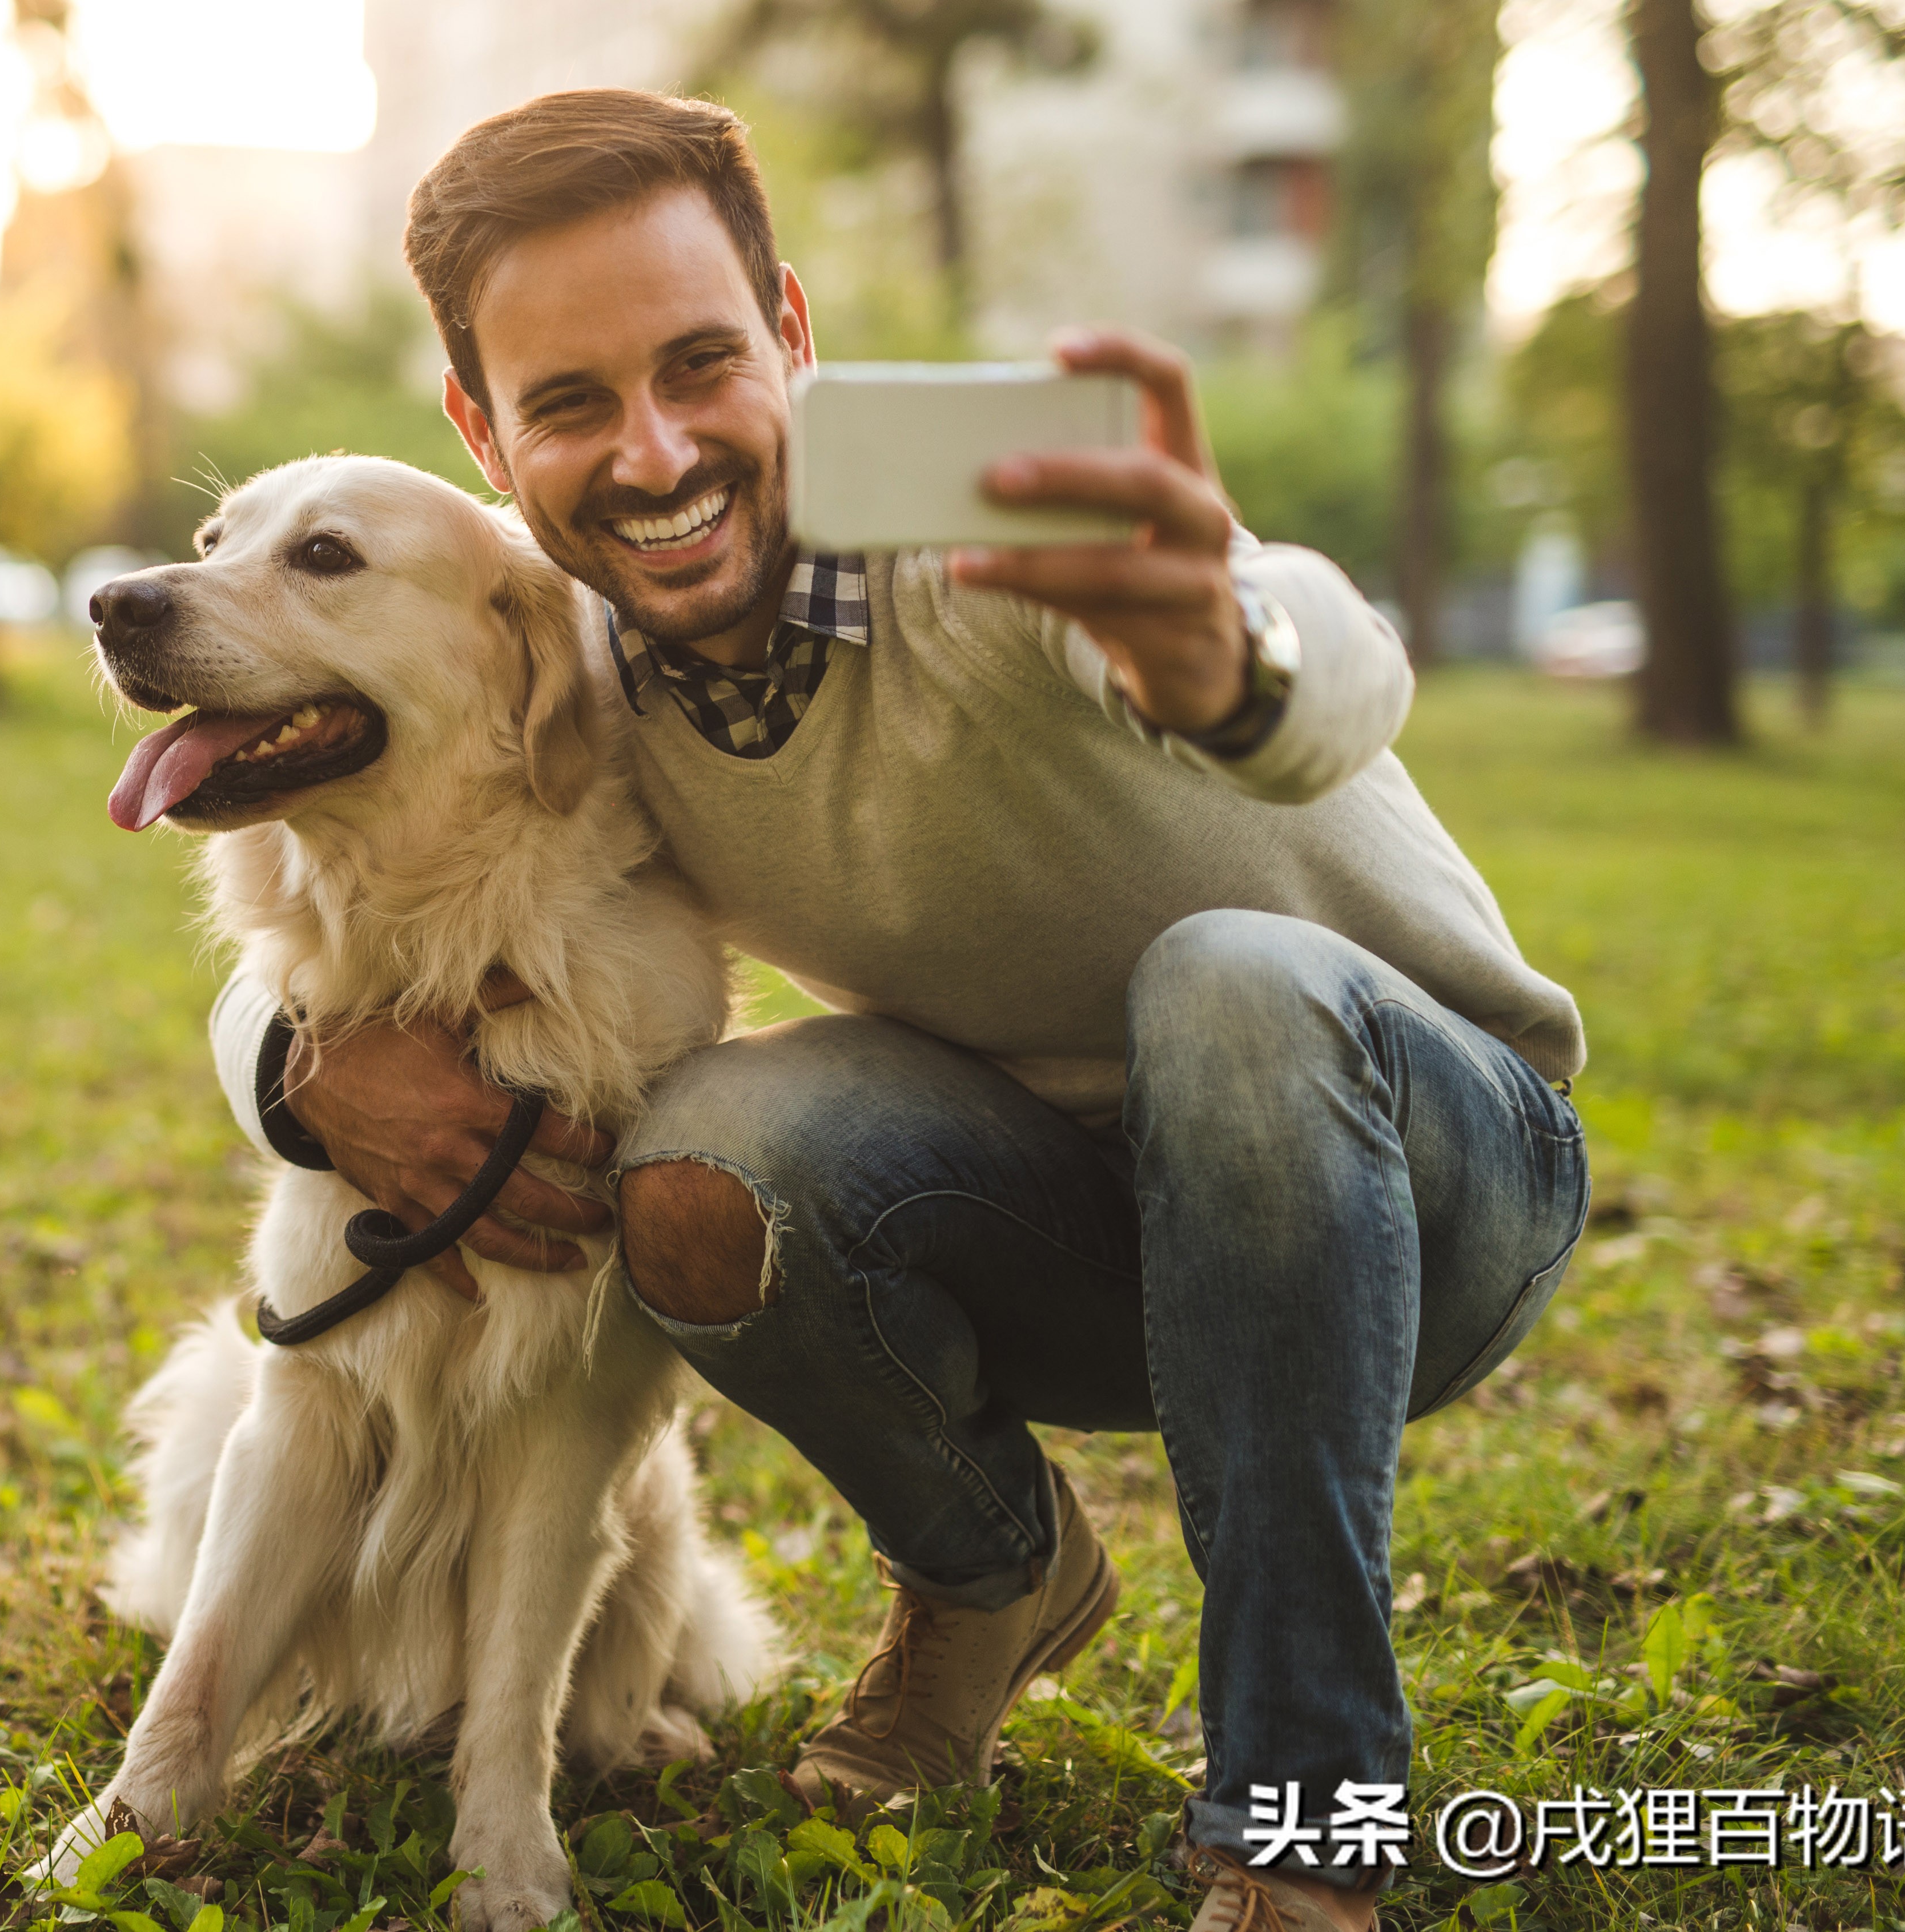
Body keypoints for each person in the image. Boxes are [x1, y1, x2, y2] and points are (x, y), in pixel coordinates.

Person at [197, 89, 1589, 1932]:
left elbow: (1332, 647)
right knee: (708, 1150)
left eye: (703, 360)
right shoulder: (554, 659)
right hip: (1060, 1229)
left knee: (1232, 986)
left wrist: (1224, 654)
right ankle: (993, 1575)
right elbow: (346, 914)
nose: (657, 449)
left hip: (1418, 1178)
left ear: (793, 333)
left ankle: (1300, 1818)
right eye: (572, 403)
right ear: (484, 431)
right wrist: (301, 1080)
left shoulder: (983, 533)